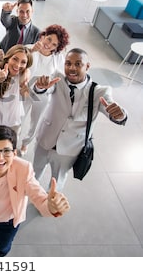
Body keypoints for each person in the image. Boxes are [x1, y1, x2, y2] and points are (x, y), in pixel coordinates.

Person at [0, 125, 70, 257]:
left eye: (6, 151)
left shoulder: (24, 169)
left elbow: (38, 196)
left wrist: (51, 206)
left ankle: (1, 255)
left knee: (4, 243)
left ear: (14, 153)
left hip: (8, 220)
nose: (0, 158)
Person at [32, 48, 127, 191]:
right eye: (68, 63)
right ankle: (29, 193)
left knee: (57, 181)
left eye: (78, 64)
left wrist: (120, 115)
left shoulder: (99, 92)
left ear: (87, 66)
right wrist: (40, 87)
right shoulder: (57, 78)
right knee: (34, 172)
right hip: (45, 139)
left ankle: (49, 203)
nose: (71, 68)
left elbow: (112, 110)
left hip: (70, 148)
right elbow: (43, 89)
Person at [19, 24, 70, 155]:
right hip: (25, 91)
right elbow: (20, 65)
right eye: (49, 39)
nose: (49, 45)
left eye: (54, 45)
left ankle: (25, 143)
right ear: (43, 36)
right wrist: (31, 52)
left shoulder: (58, 59)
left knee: (35, 122)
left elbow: (62, 77)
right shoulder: (29, 48)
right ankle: (14, 141)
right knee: (19, 118)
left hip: (42, 95)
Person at [0, 45, 33, 151]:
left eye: (23, 62)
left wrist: (25, 85)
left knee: (8, 155)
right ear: (8, 57)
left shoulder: (23, 74)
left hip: (12, 124)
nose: (18, 65)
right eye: (15, 59)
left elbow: (25, 82)